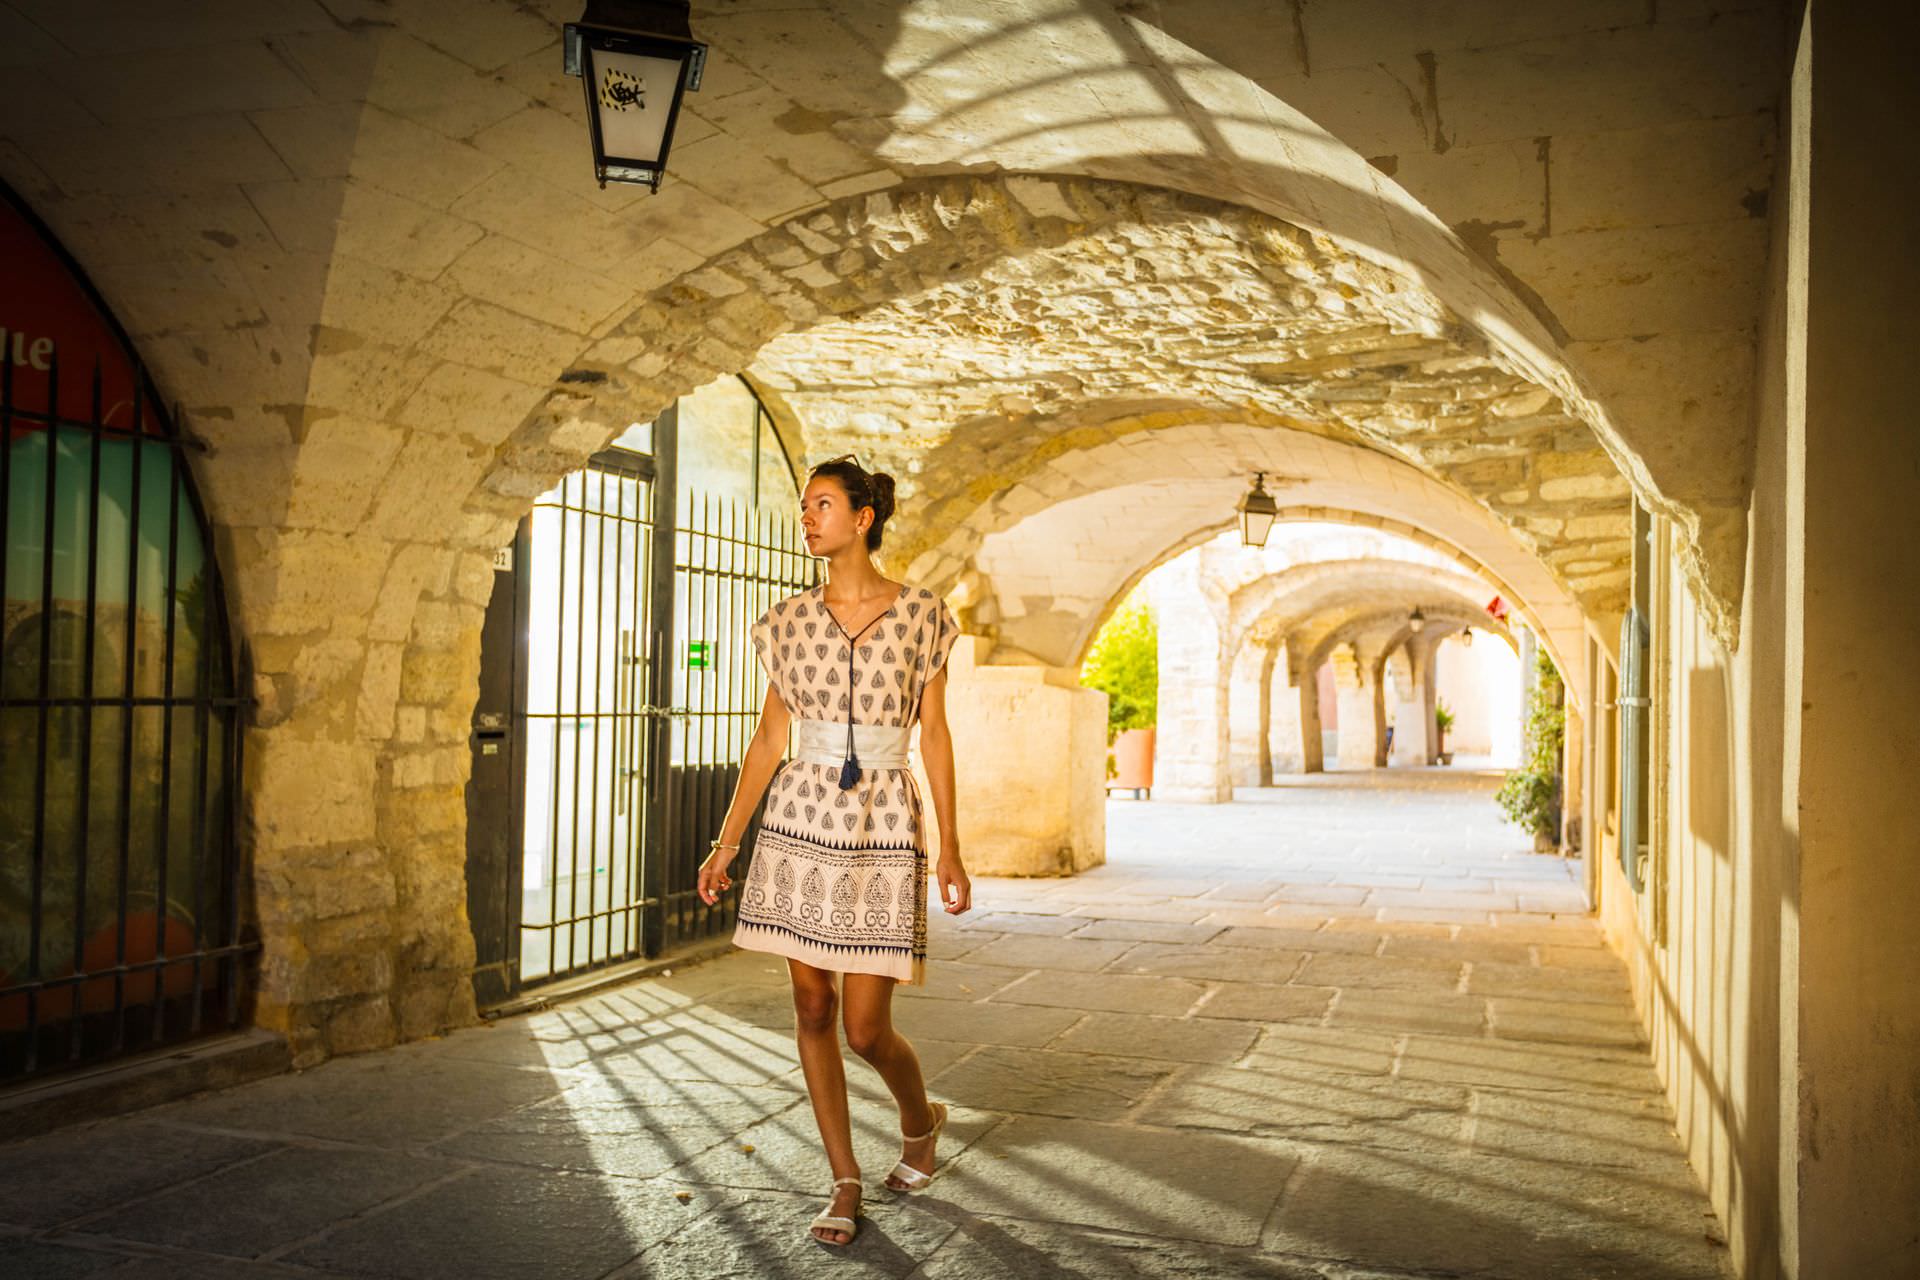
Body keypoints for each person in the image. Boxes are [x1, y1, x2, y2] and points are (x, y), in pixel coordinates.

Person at [697, 454, 973, 1247]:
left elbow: (937, 736)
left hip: (886, 823)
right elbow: (767, 738)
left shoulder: (923, 614)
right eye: (804, 504)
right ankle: (844, 1179)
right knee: (812, 1006)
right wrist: (727, 844)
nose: (808, 516)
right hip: (799, 819)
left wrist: (950, 848)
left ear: (863, 518)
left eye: (823, 504)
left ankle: (920, 1123)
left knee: (863, 1027)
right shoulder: (785, 621)